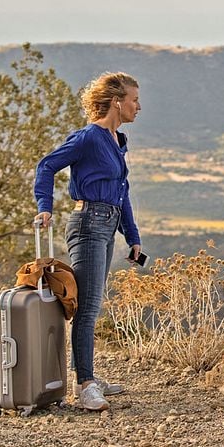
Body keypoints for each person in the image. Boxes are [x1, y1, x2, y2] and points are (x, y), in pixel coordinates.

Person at [33, 71, 143, 412]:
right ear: (116, 101)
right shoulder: (88, 138)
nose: (138, 107)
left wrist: (132, 236)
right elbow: (46, 166)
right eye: (134, 100)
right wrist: (45, 208)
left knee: (93, 305)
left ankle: (88, 375)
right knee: (86, 308)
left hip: (107, 224)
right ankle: (85, 385)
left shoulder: (116, 141)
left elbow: (121, 193)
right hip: (88, 223)